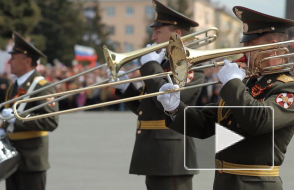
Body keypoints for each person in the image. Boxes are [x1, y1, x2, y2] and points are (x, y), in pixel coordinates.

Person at [157, 6, 294, 190]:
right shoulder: (247, 84)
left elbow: (259, 121)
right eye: (244, 45)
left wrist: (232, 83)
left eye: (250, 46)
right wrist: (174, 108)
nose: (244, 52)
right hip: (225, 182)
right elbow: (207, 122)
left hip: (257, 184)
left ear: (274, 48)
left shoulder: (287, 86)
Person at [108, 0, 205, 189]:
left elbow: (171, 105)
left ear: (176, 34)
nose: (153, 37)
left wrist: (150, 67)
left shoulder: (192, 65)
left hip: (172, 156)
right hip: (153, 152)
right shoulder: (161, 64)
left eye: (158, 31)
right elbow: (147, 109)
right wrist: (125, 88)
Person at [0, 31, 59, 190]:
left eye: (13, 58)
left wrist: (18, 118)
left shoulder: (43, 87)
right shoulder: (14, 86)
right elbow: (8, 120)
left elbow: (51, 121)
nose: (9, 61)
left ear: (27, 61)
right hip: (12, 157)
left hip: (32, 160)